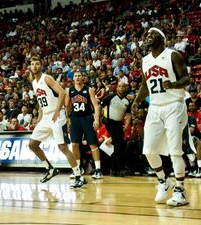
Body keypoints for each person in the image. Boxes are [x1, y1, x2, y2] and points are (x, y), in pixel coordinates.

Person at [132, 27, 191, 206]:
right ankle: (164, 180)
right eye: (146, 34)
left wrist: (173, 84)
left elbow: (186, 79)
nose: (148, 36)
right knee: (149, 150)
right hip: (155, 107)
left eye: (152, 34)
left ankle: (180, 191)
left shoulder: (173, 55)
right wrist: (136, 101)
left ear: (162, 39)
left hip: (174, 105)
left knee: (175, 152)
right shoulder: (145, 60)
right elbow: (144, 85)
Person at [27, 56, 86, 189]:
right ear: (30, 67)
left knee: (63, 147)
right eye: (32, 64)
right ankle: (50, 169)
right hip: (46, 117)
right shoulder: (34, 83)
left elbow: (62, 93)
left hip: (57, 115)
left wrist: (57, 111)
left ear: (41, 66)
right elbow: (41, 102)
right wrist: (39, 119)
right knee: (32, 144)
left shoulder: (47, 78)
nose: (34, 66)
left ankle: (78, 176)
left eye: (37, 63)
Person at [67, 72, 103, 179]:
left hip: (87, 118)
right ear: (73, 78)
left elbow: (96, 106)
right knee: (74, 144)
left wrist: (96, 120)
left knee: (93, 144)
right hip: (75, 119)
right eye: (76, 76)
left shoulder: (89, 89)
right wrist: (67, 121)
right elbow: (67, 107)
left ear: (83, 78)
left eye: (79, 75)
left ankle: (98, 169)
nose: (78, 77)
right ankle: (77, 169)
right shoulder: (69, 90)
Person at [100, 82, 132, 176]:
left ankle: (114, 169)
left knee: (119, 145)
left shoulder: (127, 101)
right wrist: (97, 119)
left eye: (123, 86)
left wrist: (127, 125)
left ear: (126, 88)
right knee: (118, 144)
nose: (121, 88)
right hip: (109, 121)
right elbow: (99, 106)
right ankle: (119, 168)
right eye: (120, 86)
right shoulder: (110, 97)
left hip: (119, 123)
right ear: (117, 88)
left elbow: (129, 114)